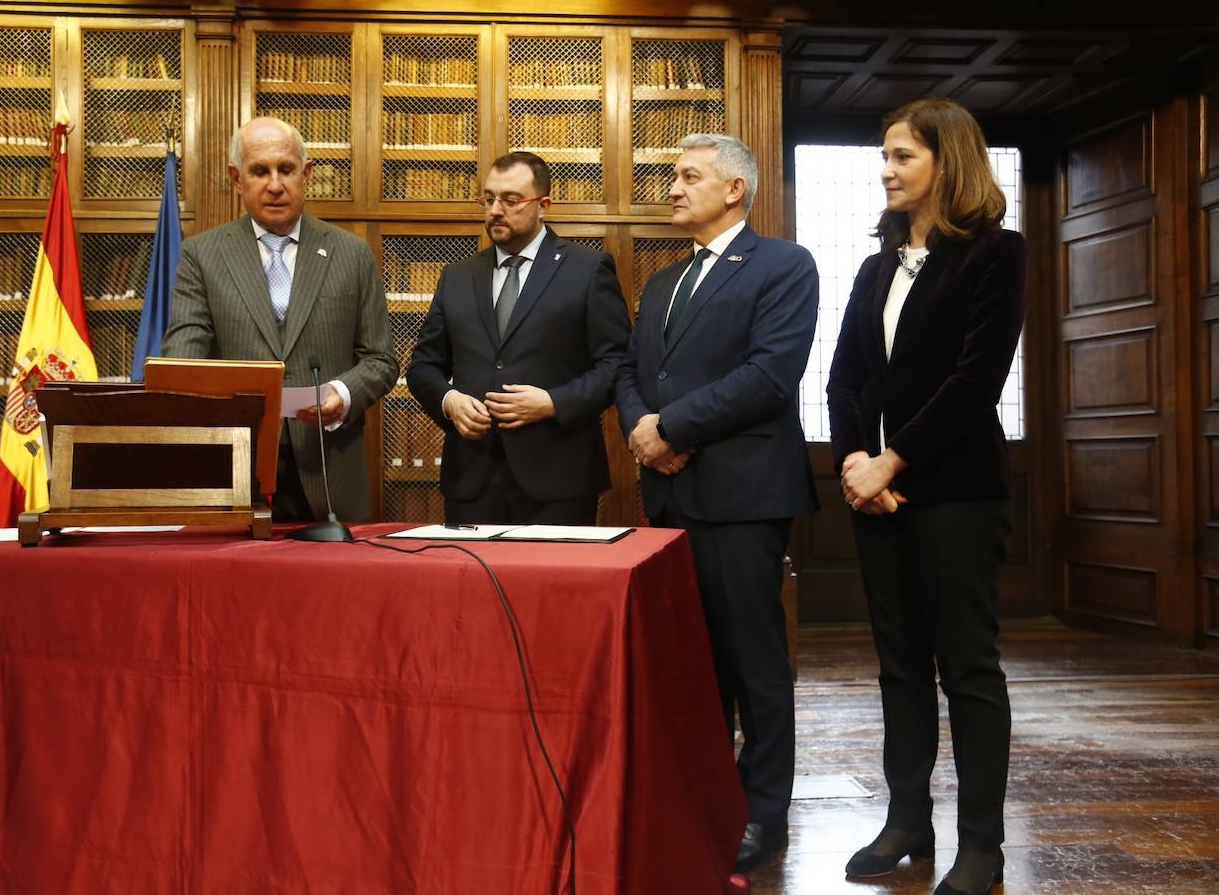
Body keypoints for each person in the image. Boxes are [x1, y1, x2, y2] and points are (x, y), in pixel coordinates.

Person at [826, 97, 1026, 895]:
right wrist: (853, 462)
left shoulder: (994, 254)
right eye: (885, 155)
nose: (887, 169)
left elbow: (977, 381)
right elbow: (844, 377)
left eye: (903, 155)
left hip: (958, 493)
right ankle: (908, 820)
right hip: (878, 497)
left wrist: (892, 461)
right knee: (899, 668)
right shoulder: (877, 266)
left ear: (949, 162)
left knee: (968, 670)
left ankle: (983, 845)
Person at [615, 133, 819, 872]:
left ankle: (763, 814)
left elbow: (770, 376)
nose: (672, 188)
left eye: (687, 176)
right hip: (670, 497)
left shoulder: (784, 266)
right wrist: (644, 429)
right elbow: (630, 372)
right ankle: (708, 797)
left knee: (754, 664)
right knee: (694, 666)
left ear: (735, 189)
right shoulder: (664, 284)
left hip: (742, 497)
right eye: (673, 176)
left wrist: (670, 428)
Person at [162, 117, 397, 522]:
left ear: (306, 175)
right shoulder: (203, 256)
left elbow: (381, 360)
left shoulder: (351, 254)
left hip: (328, 469)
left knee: (334, 586)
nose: (274, 184)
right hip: (236, 470)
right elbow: (183, 363)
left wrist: (342, 392)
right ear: (237, 179)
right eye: (260, 171)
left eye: (286, 169)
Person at [407, 151, 631, 525]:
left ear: (543, 205)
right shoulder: (457, 276)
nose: (496, 209)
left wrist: (554, 403)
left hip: (558, 479)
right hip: (472, 480)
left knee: (552, 585)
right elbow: (423, 367)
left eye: (510, 200)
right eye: (489, 198)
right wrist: (450, 401)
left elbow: (618, 363)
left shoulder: (588, 270)